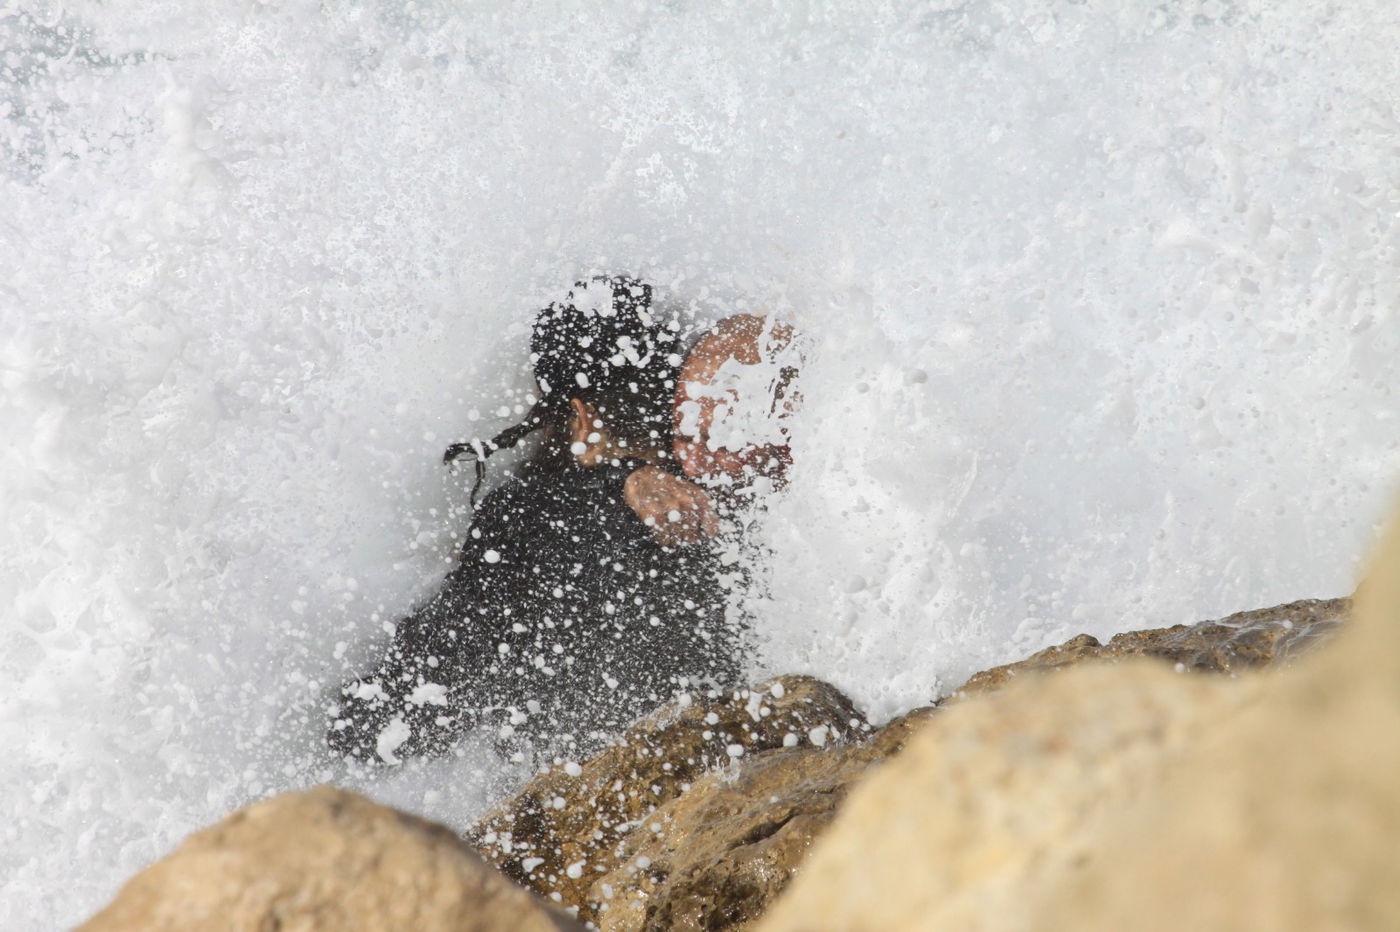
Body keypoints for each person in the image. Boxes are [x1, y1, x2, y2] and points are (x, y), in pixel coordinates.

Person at [327, 276, 740, 764]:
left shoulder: (526, 515)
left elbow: (390, 718)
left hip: (585, 792)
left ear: (578, 415)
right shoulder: (723, 492)